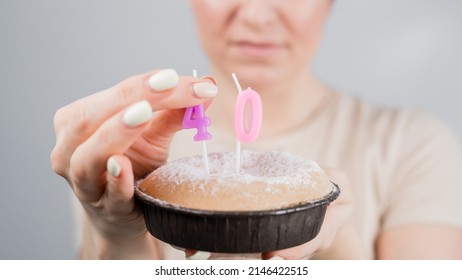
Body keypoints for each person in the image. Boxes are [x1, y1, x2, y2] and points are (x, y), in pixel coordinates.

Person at [51, 0, 462, 259]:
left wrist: (333, 239)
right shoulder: (129, 152)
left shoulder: (415, 146)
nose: (256, 14)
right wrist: (115, 231)